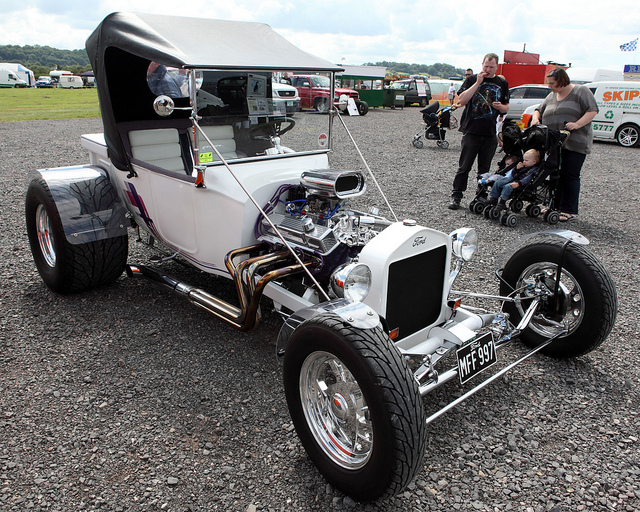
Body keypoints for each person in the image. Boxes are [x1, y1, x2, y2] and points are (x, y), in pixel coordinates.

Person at [530, 67, 598, 222]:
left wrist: (577, 124)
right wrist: (536, 119)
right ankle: (553, 205)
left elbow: (592, 110)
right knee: (554, 174)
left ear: (561, 81)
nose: (549, 86)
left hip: (574, 143)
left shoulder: (581, 91)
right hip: (554, 143)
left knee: (569, 175)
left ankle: (567, 209)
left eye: (552, 83)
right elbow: (538, 109)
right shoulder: (552, 95)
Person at [447, 54, 510, 209]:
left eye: (491, 67)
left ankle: (481, 195)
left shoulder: (502, 82)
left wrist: (500, 107)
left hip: (490, 133)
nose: (487, 70)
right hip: (471, 130)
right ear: (482, 65)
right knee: (464, 167)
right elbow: (461, 101)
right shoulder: (471, 80)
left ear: (497, 67)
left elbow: (507, 106)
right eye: (485, 67)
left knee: (484, 169)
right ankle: (456, 196)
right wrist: (477, 83)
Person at [486, 148, 541, 213]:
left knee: (507, 186)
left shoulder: (533, 170)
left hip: (521, 183)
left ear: (534, 162)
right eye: (524, 160)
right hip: (514, 178)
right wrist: (516, 169)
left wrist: (518, 183)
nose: (524, 162)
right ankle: (494, 198)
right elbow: (513, 174)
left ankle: (502, 202)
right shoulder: (523, 167)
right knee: (498, 182)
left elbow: (527, 179)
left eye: (526, 160)